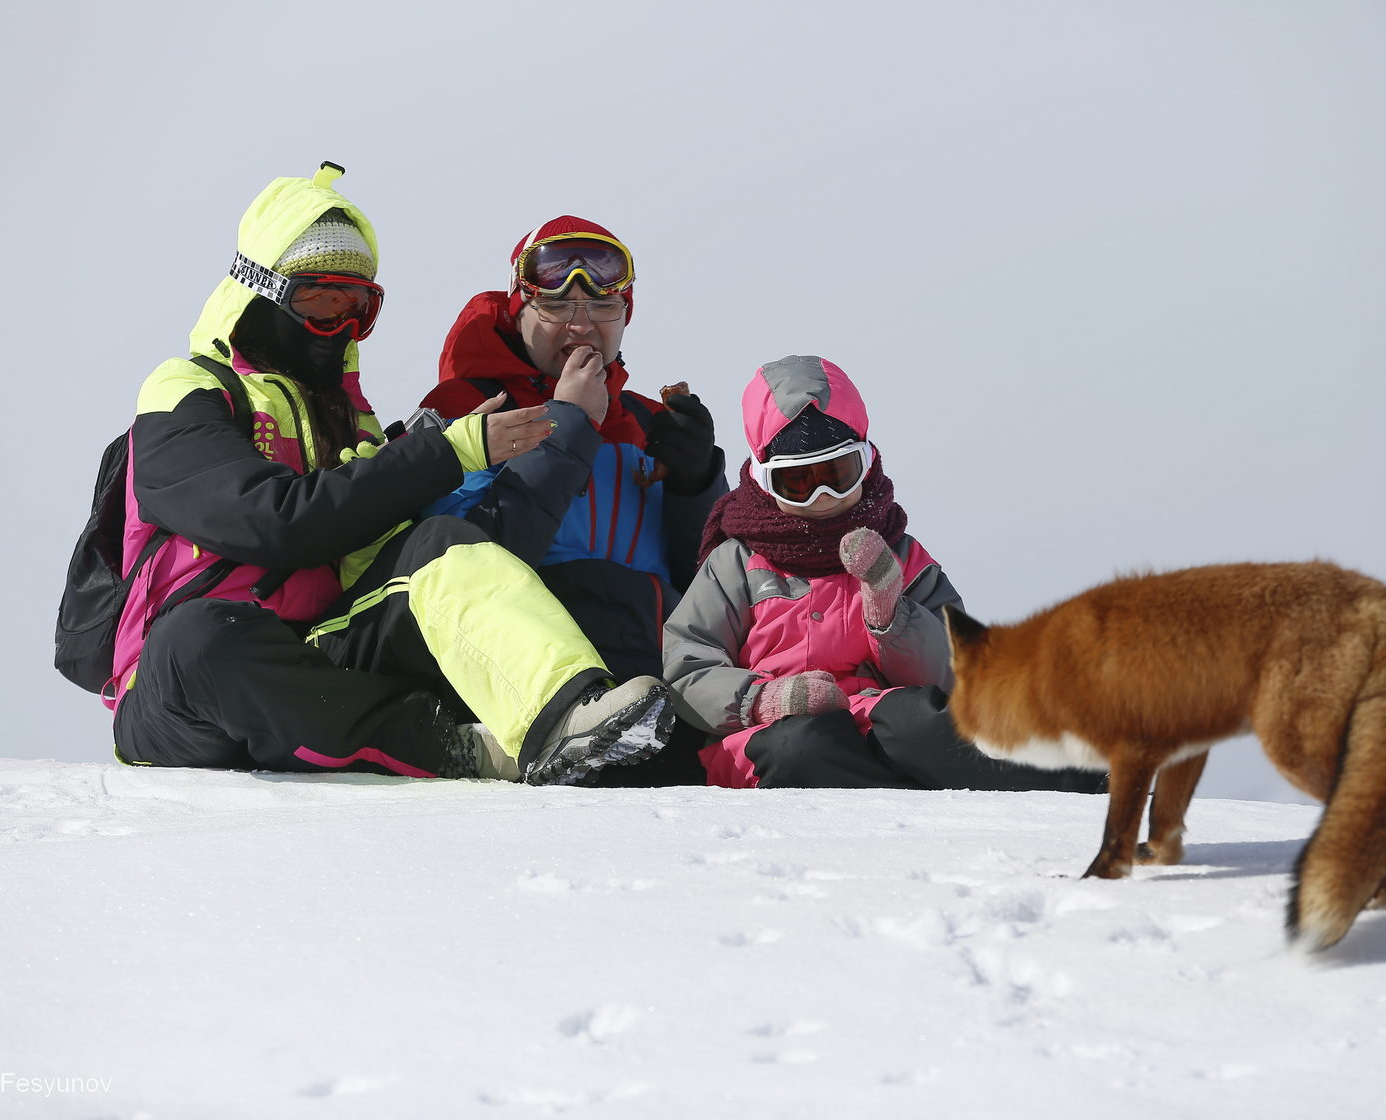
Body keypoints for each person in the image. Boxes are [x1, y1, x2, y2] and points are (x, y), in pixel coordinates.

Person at [108, 163, 673, 786]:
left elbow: (384, 556)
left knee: (438, 548)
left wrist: (693, 477)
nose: (343, 328)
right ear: (260, 293)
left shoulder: (353, 423)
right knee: (200, 638)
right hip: (186, 687)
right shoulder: (187, 392)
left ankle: (564, 717)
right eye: (322, 303)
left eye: (360, 307)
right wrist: (443, 453)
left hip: (322, 650)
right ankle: (455, 749)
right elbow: (268, 522)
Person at [663, 354, 1105, 792]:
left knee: (919, 722)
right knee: (803, 747)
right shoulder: (737, 563)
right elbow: (687, 665)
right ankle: (903, 789)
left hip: (874, 716)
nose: (821, 497)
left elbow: (956, 672)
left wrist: (891, 614)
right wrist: (764, 700)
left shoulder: (899, 556)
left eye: (838, 474)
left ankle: (1089, 768)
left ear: (867, 462)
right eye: (797, 483)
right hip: (766, 735)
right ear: (763, 480)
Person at [416, 217, 728, 782]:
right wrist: (568, 426)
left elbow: (714, 585)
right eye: (557, 308)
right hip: (534, 694)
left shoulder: (644, 423)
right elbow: (465, 558)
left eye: (602, 308)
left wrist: (697, 485)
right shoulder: (468, 414)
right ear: (519, 310)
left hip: (658, 686)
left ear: (625, 316)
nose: (581, 324)